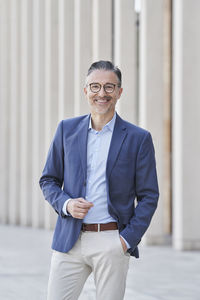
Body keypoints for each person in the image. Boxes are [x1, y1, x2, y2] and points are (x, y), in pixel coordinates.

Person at [39, 60, 159, 300]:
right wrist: (66, 204)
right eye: (94, 87)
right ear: (86, 91)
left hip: (112, 241)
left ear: (119, 92)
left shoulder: (138, 138)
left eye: (109, 87)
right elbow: (48, 180)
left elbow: (148, 196)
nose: (101, 93)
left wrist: (126, 240)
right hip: (69, 241)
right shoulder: (66, 130)